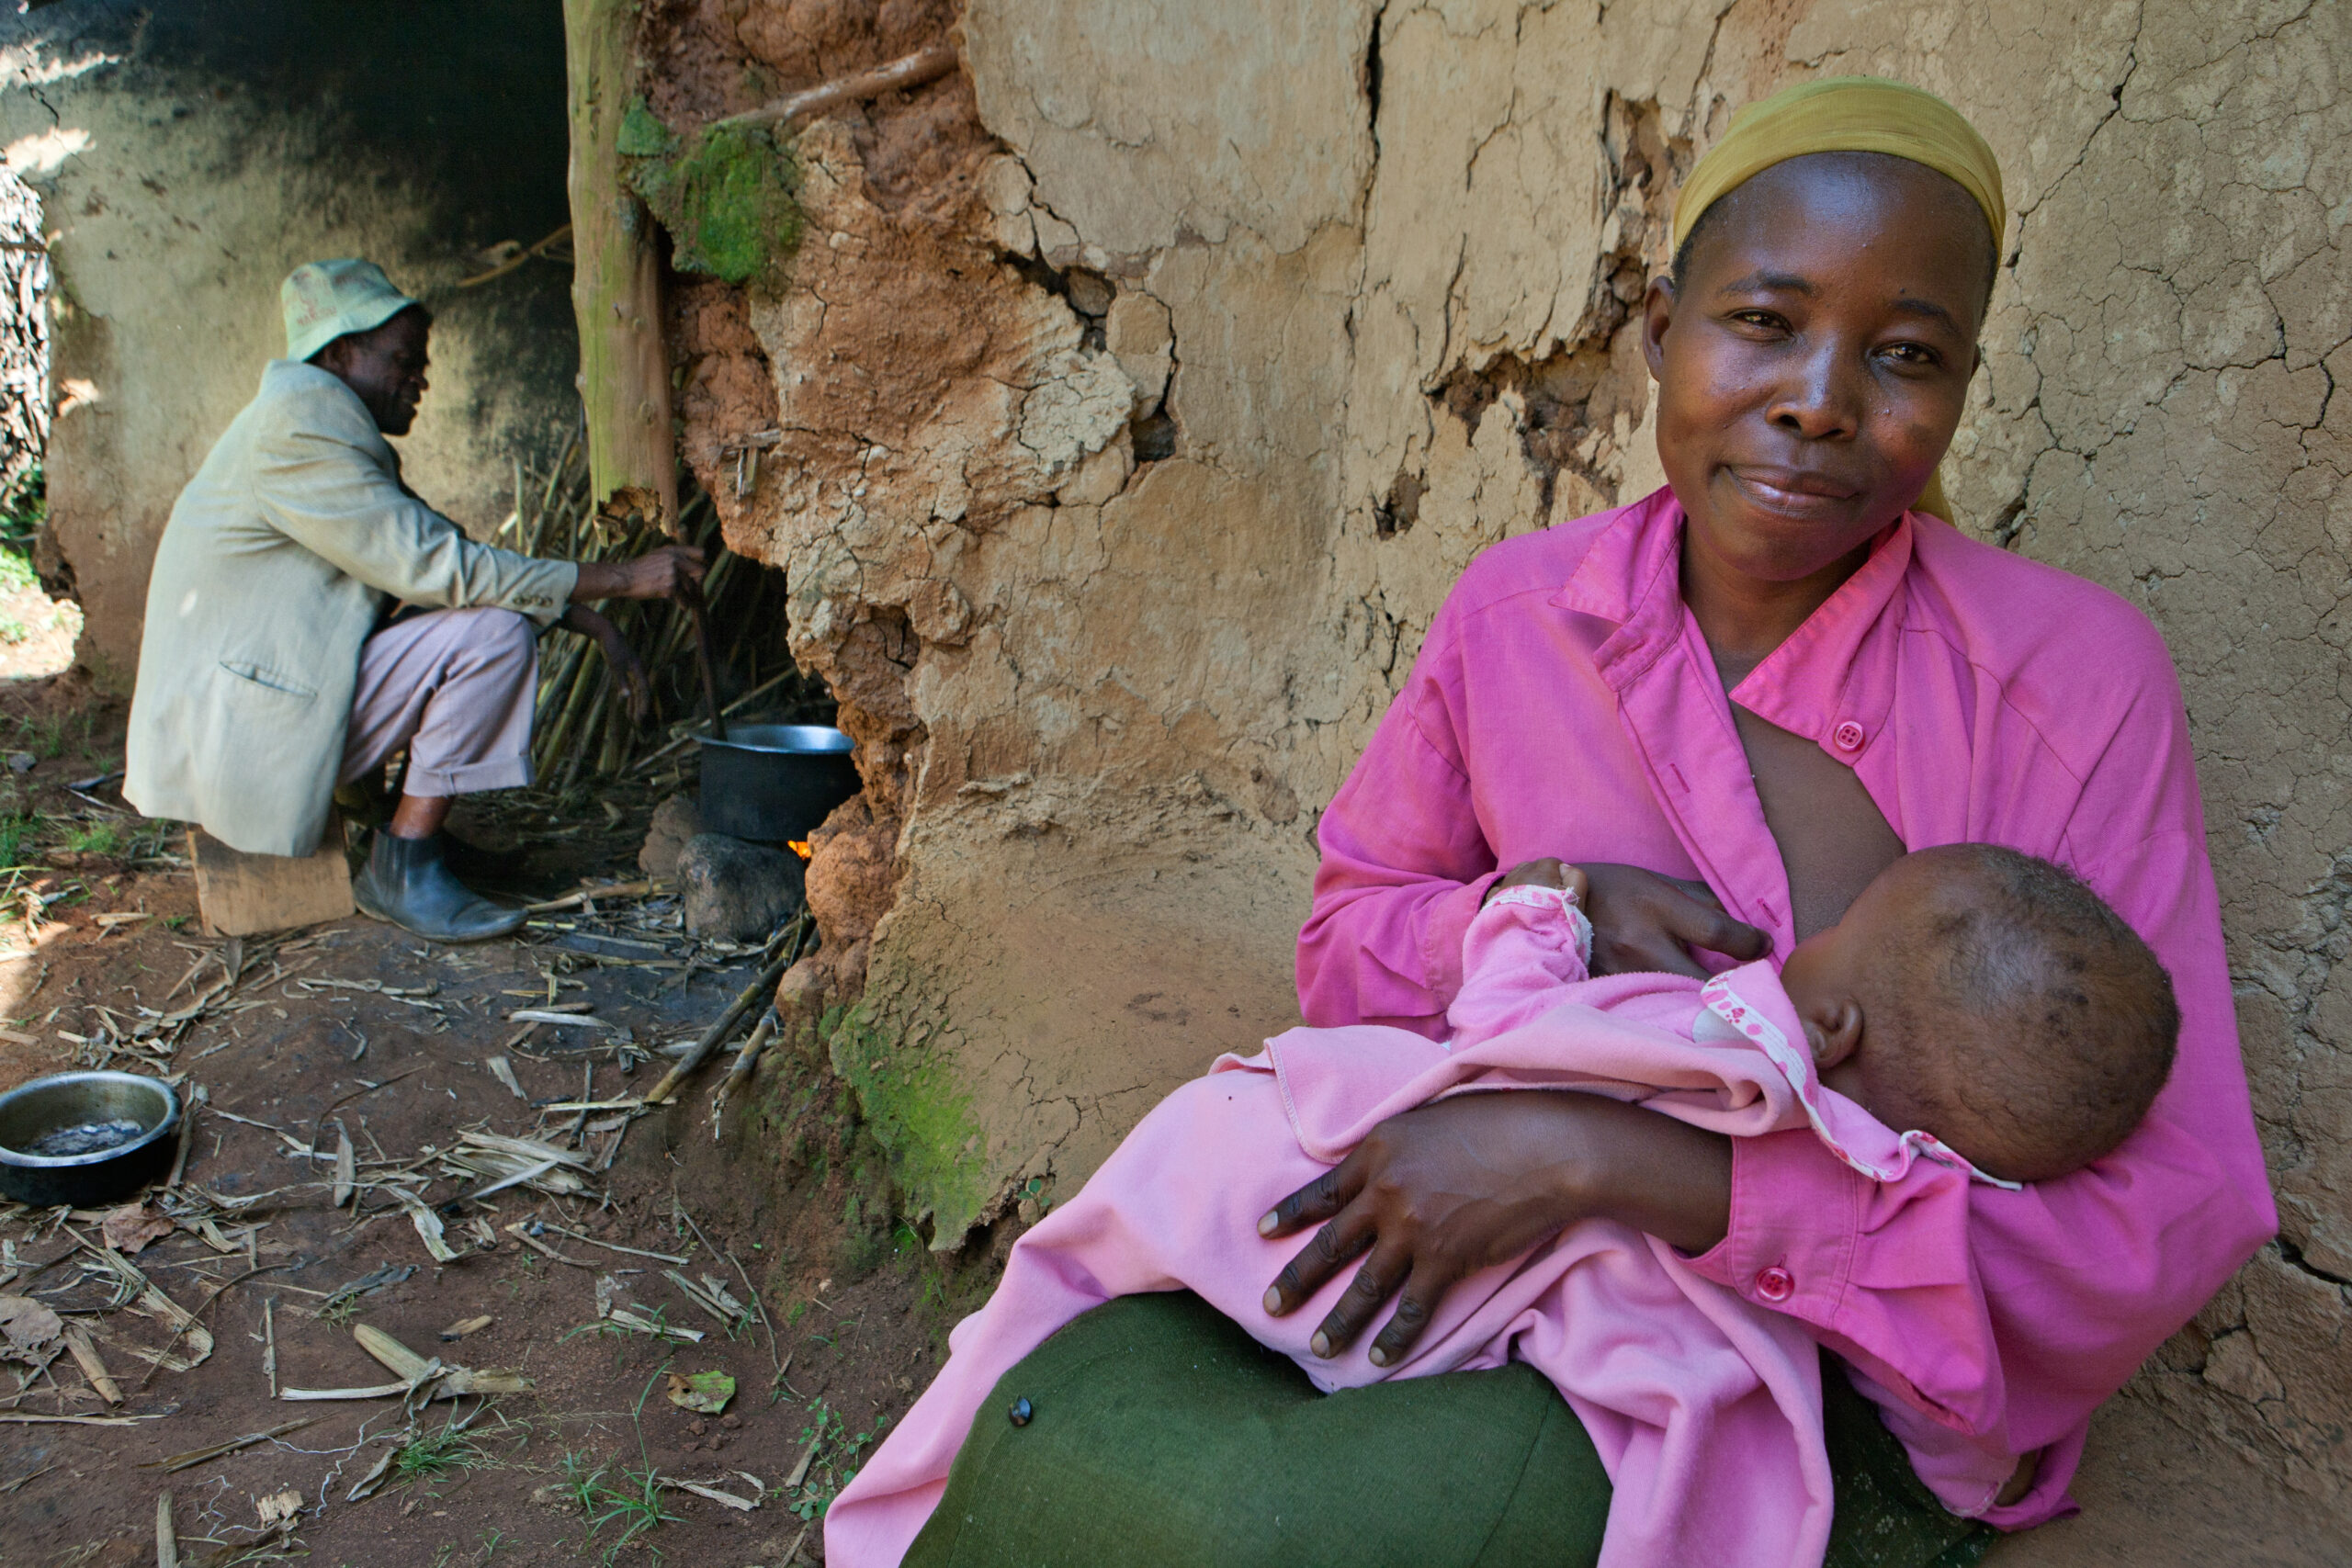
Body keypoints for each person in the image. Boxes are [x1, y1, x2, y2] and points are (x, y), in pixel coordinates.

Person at [833, 75, 2276, 1567]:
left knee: (1294, 1523)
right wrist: (1532, 902)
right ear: (1661, 330)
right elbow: (1348, 935)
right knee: (1077, 1410)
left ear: (1962, 386)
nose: (1820, 398)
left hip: (1839, 1369)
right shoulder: (1522, 615)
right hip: (1468, 1211)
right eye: (1765, 321)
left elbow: (2166, 1204)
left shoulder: (2069, 680)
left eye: (1906, 355)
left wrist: (1615, 1160)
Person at [829, 845, 2181, 1568]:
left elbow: (1510, 1021)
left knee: (1220, 1142)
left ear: (1827, 1016)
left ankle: (933, 1471)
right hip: (1626, 1361)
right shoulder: (1908, 1192)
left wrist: (1541, 899)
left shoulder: (1716, 1030)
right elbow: (1956, 1415)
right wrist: (1986, 1480)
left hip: (1379, 1258)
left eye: (1815, 940)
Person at [124, 259, 704, 941]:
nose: (419, 377)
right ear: (340, 354)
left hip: (255, 711)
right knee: (491, 635)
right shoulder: (300, 430)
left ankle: (407, 837)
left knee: (474, 614)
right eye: (403, 358)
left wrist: (595, 623)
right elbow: (444, 568)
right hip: (246, 735)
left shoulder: (318, 423)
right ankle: (403, 860)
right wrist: (625, 578)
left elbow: (445, 552)